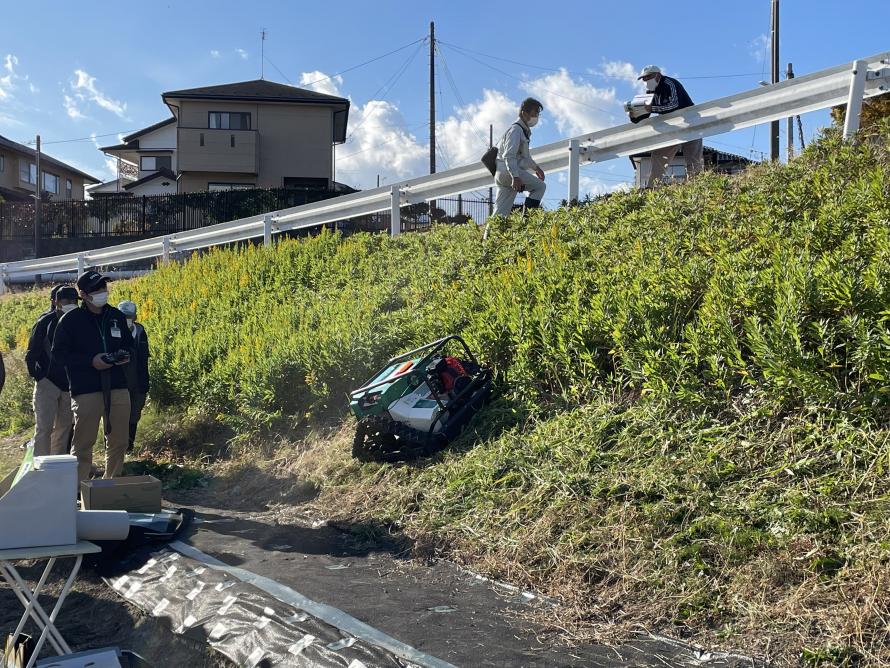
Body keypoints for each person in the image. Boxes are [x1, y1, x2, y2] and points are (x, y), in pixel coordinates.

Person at [52, 270, 133, 482]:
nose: (102, 293)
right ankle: (78, 487)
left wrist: (124, 356)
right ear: (84, 295)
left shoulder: (116, 316)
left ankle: (110, 484)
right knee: (83, 443)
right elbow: (59, 355)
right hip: (86, 388)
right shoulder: (71, 320)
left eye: (103, 288)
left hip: (117, 384)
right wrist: (91, 361)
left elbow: (129, 345)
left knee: (119, 440)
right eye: (96, 289)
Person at [25, 286, 79, 456]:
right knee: (44, 428)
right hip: (47, 384)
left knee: (63, 429)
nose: (70, 304)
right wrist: (40, 377)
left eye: (73, 301)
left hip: (69, 385)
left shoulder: (80, 322)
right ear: (55, 302)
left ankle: (56, 466)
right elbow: (31, 354)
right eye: (65, 301)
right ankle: (40, 467)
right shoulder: (45, 322)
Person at [630, 65, 703, 188]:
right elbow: (644, 115)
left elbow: (673, 105)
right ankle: (652, 188)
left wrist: (651, 108)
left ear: (657, 75)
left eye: (648, 77)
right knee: (659, 156)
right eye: (643, 79)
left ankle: (696, 187)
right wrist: (634, 114)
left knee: (693, 159)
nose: (645, 81)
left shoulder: (670, 83)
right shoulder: (649, 93)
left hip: (691, 123)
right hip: (672, 128)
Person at [493, 97, 546, 217]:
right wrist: (515, 177)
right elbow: (509, 155)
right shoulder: (516, 130)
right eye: (534, 114)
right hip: (510, 172)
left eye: (538, 114)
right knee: (540, 187)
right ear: (524, 113)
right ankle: (527, 222)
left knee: (500, 213)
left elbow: (526, 157)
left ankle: (489, 235)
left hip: (502, 173)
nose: (536, 118)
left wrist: (536, 168)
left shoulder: (522, 130)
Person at [117, 300, 150, 452]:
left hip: (137, 382)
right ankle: (114, 449)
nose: (127, 319)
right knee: (116, 417)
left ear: (135, 316)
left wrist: (144, 382)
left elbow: (144, 360)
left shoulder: (140, 331)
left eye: (129, 316)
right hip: (118, 384)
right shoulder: (113, 332)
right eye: (123, 316)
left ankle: (129, 447)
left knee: (134, 415)